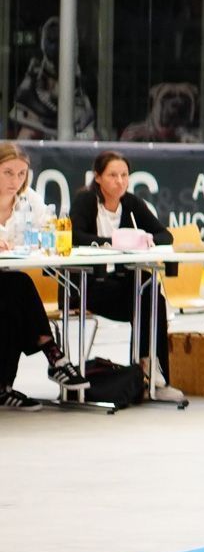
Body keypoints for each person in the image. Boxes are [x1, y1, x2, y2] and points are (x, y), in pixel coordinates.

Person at [70, 150, 185, 403]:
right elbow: (74, 236)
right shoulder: (85, 201)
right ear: (98, 177)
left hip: (121, 286)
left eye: (124, 175)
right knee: (145, 295)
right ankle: (146, 372)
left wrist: (146, 239)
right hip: (88, 286)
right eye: (113, 175)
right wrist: (113, 242)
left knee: (151, 294)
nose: (120, 181)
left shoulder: (131, 203)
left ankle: (151, 371)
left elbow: (166, 235)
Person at [0, 144, 86, 409]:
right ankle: (53, 353)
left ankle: (3, 388)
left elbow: (46, 230)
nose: (15, 181)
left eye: (21, 174)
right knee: (16, 287)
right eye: (7, 173)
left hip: (6, 281)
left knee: (11, 299)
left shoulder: (29, 200)